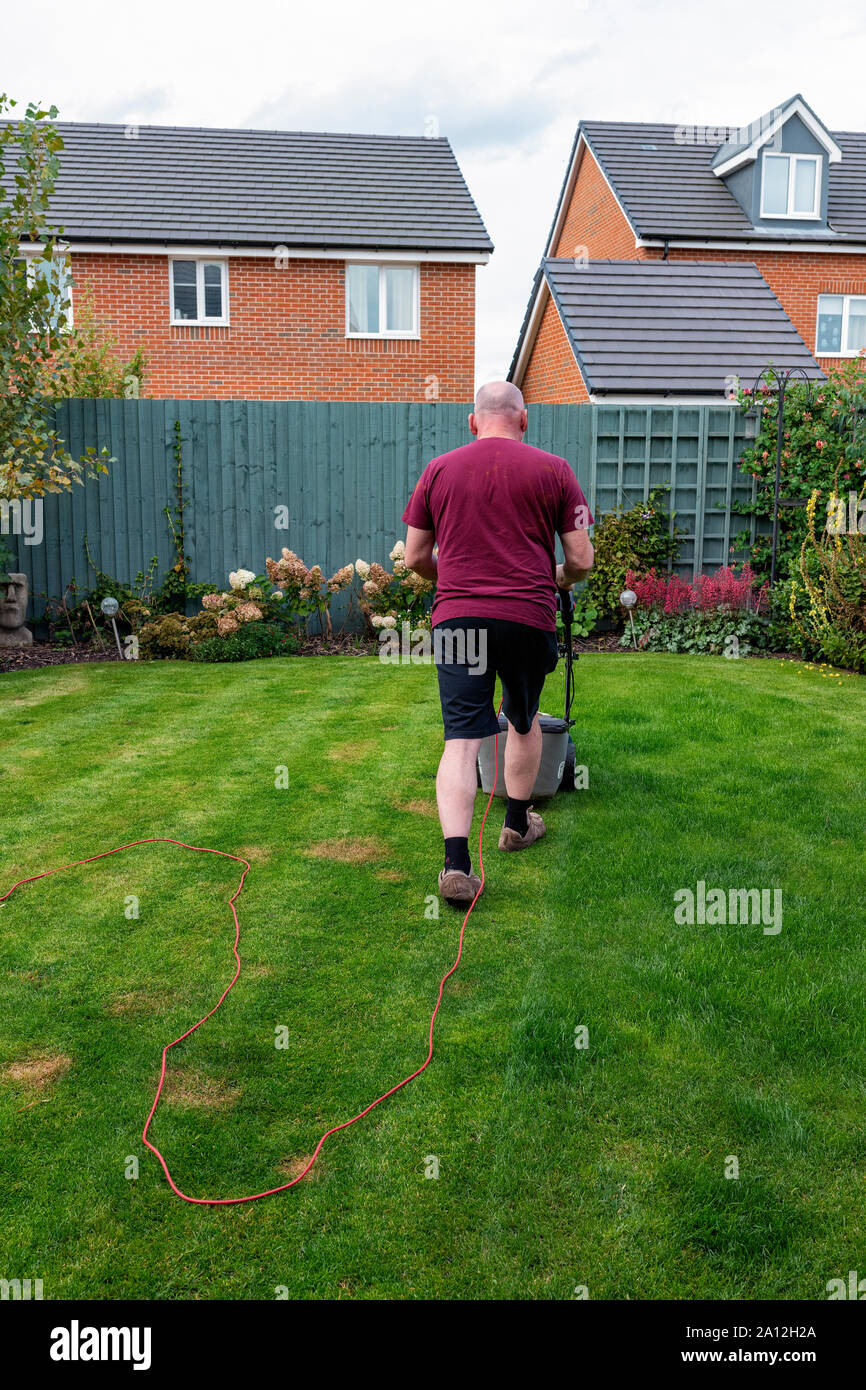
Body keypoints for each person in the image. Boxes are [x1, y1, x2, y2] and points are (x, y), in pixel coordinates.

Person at [401, 381, 594, 907]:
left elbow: (416, 558)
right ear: (524, 420)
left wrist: (458, 578)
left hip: (460, 619)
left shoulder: (439, 470)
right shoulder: (556, 471)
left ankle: (456, 865)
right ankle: (515, 825)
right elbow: (580, 559)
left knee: (462, 739)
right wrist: (555, 576)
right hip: (528, 617)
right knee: (524, 719)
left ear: (473, 422)